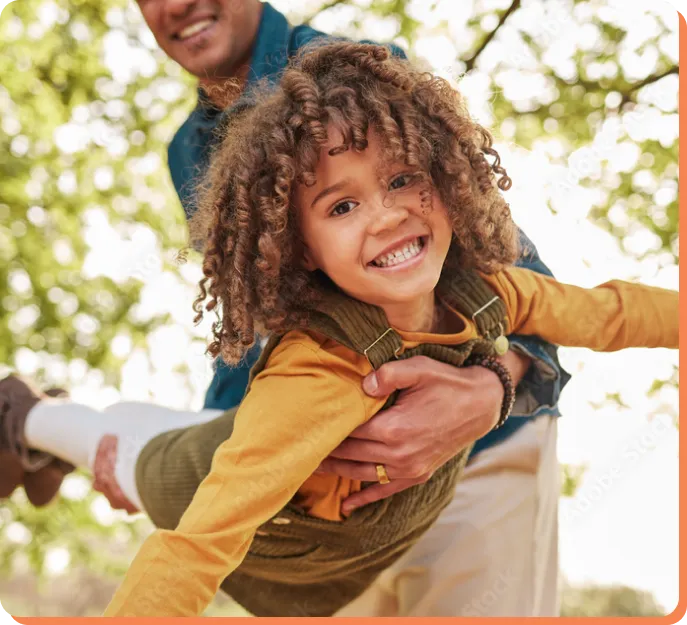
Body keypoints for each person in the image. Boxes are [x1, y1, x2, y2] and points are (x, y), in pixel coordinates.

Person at [0, 0, 570, 617]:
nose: (177, 4)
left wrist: (491, 391)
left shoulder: (350, 84)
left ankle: (30, 420)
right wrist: (174, 477)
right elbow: (263, 332)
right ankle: (39, 423)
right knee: (171, 469)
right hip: (337, 504)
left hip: (475, 470)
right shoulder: (189, 150)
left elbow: (512, 275)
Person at [95, 41, 676, 617]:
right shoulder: (317, 371)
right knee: (126, 451)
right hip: (260, 523)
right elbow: (196, 547)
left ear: (446, 176)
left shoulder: (491, 291)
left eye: (401, 179)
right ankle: (32, 418)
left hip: (359, 528)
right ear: (301, 251)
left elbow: (610, 313)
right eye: (341, 207)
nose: (387, 214)